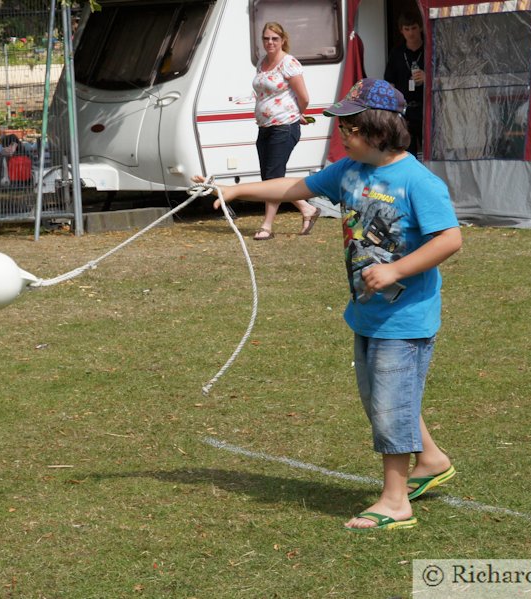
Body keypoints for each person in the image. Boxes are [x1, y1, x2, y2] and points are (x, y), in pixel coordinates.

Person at [195, 78, 462, 530]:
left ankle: (396, 502)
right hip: (367, 312)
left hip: (405, 317)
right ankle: (431, 459)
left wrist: (397, 270)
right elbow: (295, 187)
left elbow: (451, 239)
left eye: (349, 128)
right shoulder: (348, 171)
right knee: (383, 397)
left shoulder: (419, 181)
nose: (342, 135)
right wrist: (235, 192)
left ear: (378, 131)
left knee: (391, 403)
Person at [251, 22, 321, 240]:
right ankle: (306, 208)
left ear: (282, 40)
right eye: (266, 38)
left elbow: (304, 97)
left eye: (274, 38)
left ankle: (267, 226)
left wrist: (296, 113)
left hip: (284, 126)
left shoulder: (288, 63)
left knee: (272, 178)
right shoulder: (262, 63)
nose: (269, 42)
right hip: (264, 127)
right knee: (270, 177)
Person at [383, 12, 425, 157]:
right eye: (406, 29)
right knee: (407, 153)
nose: (410, 33)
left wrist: (427, 78)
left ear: (420, 28)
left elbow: (444, 76)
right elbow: (390, 82)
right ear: (401, 31)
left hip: (426, 109)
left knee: (430, 152)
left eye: (413, 28)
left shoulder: (430, 49)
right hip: (405, 110)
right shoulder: (396, 53)